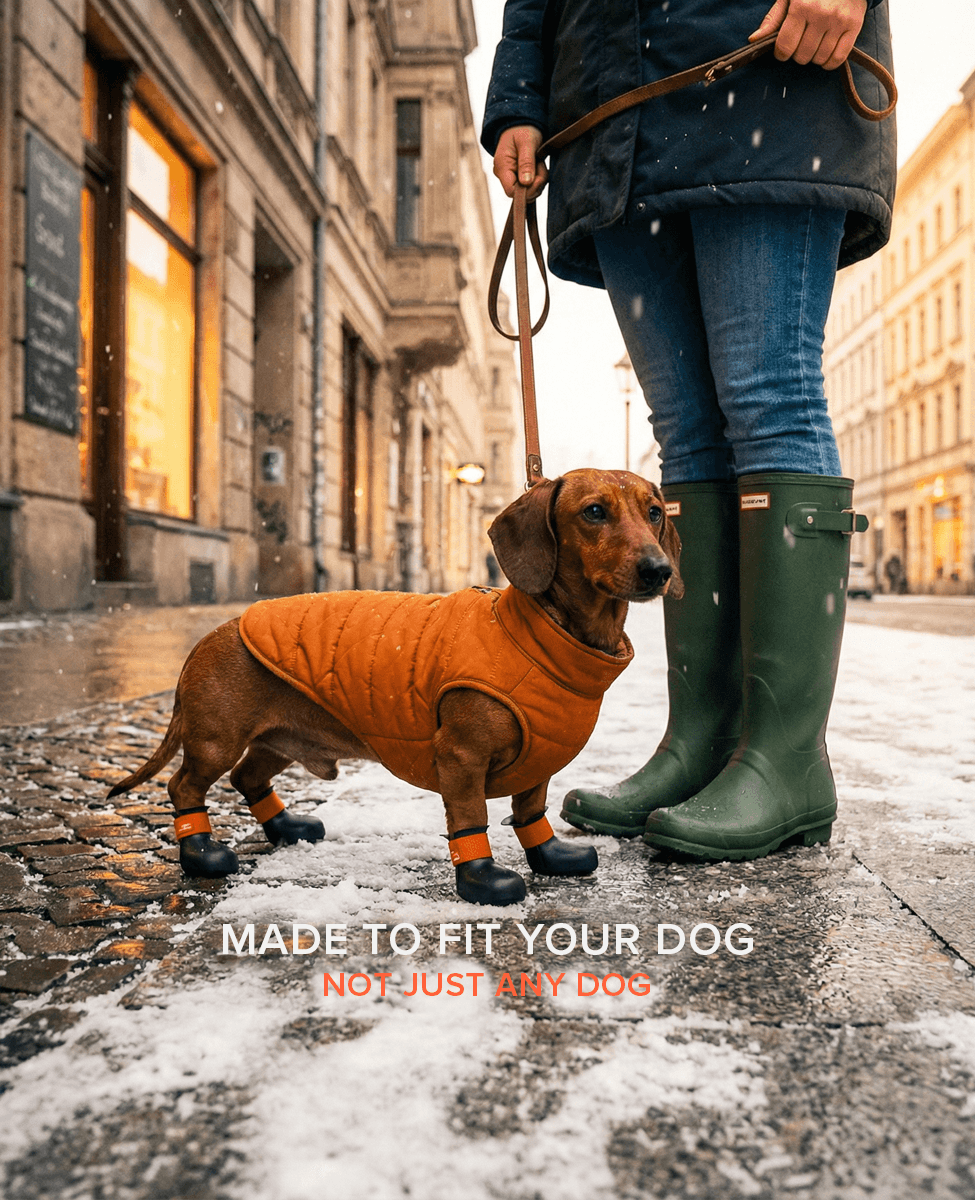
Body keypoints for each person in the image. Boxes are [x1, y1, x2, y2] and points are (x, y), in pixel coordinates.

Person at [481, 0, 895, 861]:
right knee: (688, 436)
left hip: (767, 78)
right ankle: (702, 744)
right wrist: (517, 101)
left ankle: (783, 763)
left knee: (768, 394)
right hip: (611, 122)